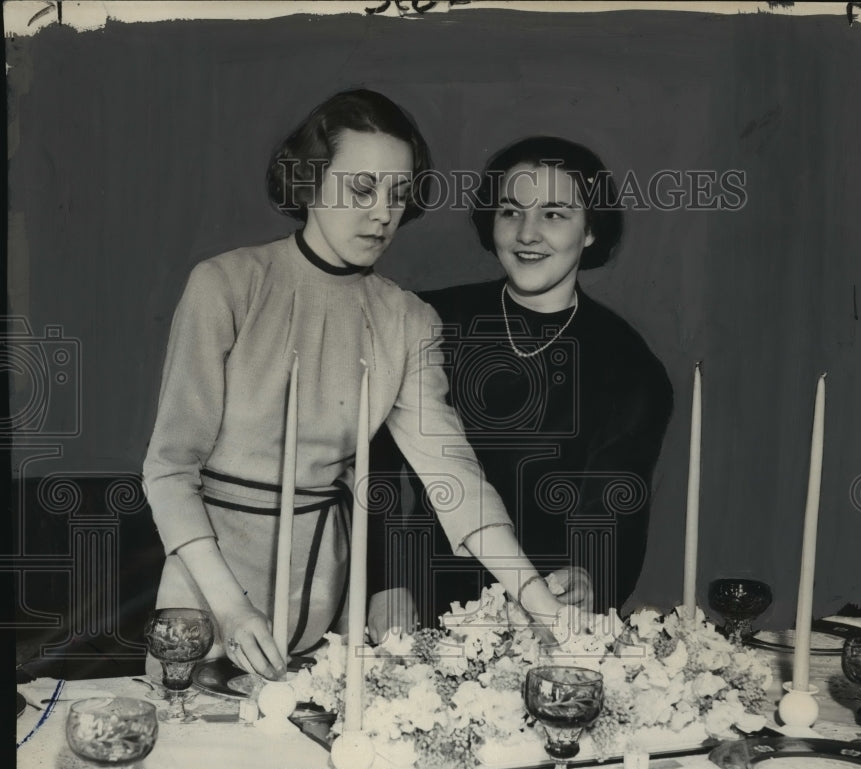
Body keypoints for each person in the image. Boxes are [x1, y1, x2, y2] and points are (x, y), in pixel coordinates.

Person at [142, 91, 569, 680]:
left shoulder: (406, 319)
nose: (383, 215)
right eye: (362, 190)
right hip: (205, 590)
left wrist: (537, 597)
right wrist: (230, 609)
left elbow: (454, 478)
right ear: (309, 179)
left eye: (398, 195)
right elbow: (167, 471)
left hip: (324, 591)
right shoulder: (226, 285)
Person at [369, 136, 672, 629]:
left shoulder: (630, 365)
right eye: (511, 212)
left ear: (590, 230)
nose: (527, 234)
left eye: (554, 215)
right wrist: (384, 580)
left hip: (546, 613)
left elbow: (616, 502)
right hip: (419, 598)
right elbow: (373, 469)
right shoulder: (428, 320)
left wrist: (589, 574)